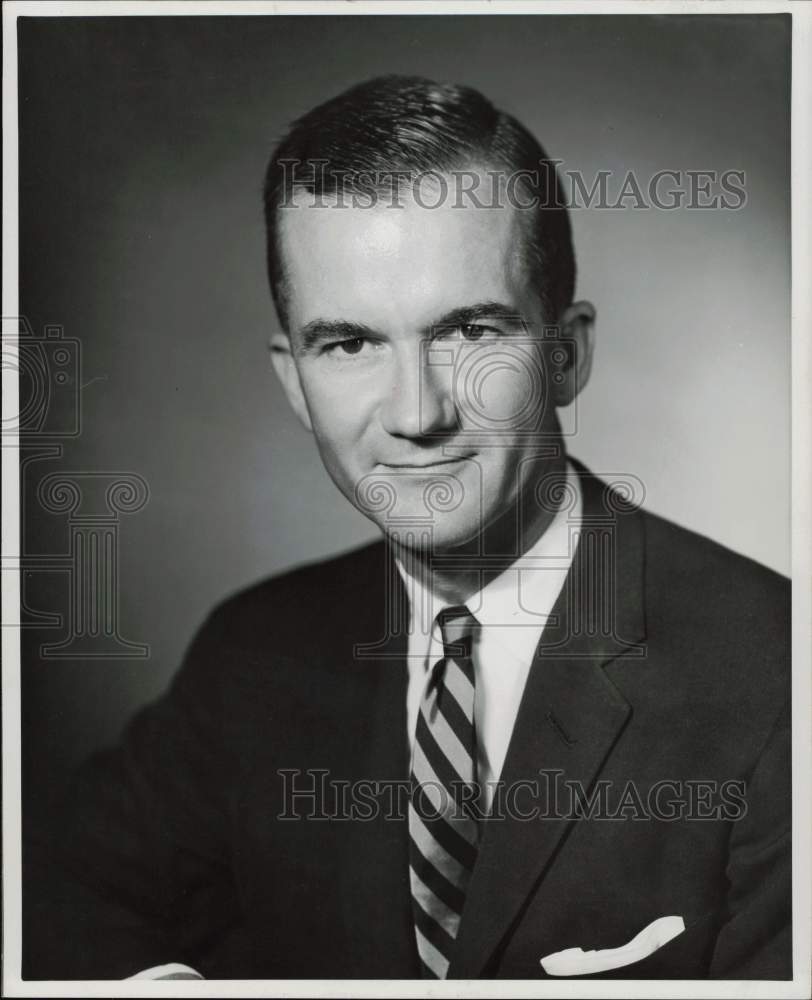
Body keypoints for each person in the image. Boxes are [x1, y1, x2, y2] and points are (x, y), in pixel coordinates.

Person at [23, 75, 790, 981]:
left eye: (468, 331)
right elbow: (55, 891)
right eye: (348, 343)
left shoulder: (778, 680)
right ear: (293, 382)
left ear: (567, 353)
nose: (416, 413)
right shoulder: (253, 652)